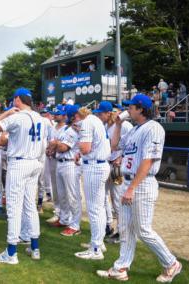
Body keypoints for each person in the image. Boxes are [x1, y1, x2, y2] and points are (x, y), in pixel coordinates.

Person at [97, 94, 182, 283]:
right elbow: (114, 145)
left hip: (142, 183)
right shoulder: (135, 129)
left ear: (141, 109)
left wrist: (131, 188)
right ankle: (121, 268)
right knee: (126, 228)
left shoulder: (154, 128)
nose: (128, 110)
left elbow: (148, 160)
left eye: (131, 107)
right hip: (129, 181)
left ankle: (171, 263)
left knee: (143, 230)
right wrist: (118, 124)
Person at [0, 87, 47, 264]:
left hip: (19, 163)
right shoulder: (41, 118)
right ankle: (35, 248)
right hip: (35, 163)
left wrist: (5, 113)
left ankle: (11, 253)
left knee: (13, 207)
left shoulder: (17, 116)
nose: (13, 102)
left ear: (18, 99)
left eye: (14, 99)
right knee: (30, 206)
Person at [72, 105, 111, 260]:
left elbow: (85, 148)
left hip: (94, 166)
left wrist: (80, 142)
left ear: (78, 116)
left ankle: (95, 249)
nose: (74, 121)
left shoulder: (88, 122)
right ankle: (98, 243)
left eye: (74, 118)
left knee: (94, 209)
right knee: (99, 208)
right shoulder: (95, 121)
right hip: (100, 164)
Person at [93, 101, 133, 244]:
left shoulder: (125, 125)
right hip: (106, 165)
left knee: (117, 200)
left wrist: (122, 157)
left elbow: (132, 144)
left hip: (117, 168)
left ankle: (122, 233)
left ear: (108, 113)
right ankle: (108, 226)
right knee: (103, 198)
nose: (99, 115)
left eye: (101, 113)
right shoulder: (104, 126)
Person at [49, 105, 82, 236]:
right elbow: (55, 145)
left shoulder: (74, 130)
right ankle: (64, 219)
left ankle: (75, 225)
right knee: (62, 195)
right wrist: (55, 144)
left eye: (68, 115)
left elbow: (63, 148)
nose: (67, 117)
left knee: (72, 196)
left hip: (70, 164)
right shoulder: (66, 129)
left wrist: (55, 144)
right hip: (60, 163)